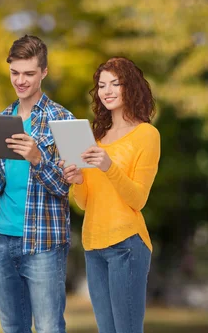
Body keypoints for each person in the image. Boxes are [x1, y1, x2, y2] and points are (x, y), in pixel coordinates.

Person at [0, 35, 74, 333]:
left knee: (48, 327)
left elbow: (67, 186)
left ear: (44, 72)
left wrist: (37, 159)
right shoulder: (3, 119)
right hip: (3, 239)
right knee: (12, 327)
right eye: (15, 73)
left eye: (29, 74)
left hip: (43, 242)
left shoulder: (63, 119)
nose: (20, 81)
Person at [61, 56, 160, 333]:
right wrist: (77, 180)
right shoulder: (95, 137)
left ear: (131, 87)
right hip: (94, 247)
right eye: (102, 85)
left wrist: (108, 166)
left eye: (115, 83)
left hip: (126, 245)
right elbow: (84, 202)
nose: (107, 90)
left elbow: (138, 199)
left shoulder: (146, 135)